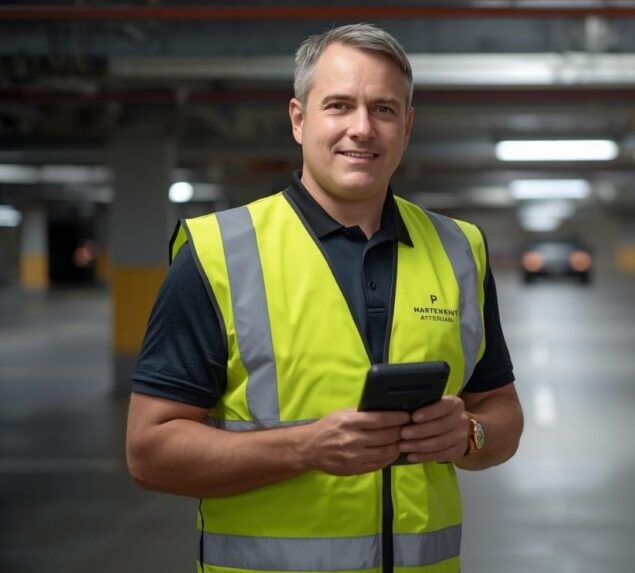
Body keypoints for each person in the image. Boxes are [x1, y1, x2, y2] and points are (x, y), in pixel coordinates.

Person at [125, 23, 523, 573]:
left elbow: (500, 410)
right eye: (338, 105)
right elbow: (149, 453)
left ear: (406, 127)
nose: (362, 129)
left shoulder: (460, 249)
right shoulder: (218, 253)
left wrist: (469, 435)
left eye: (383, 109)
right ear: (299, 118)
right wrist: (305, 448)